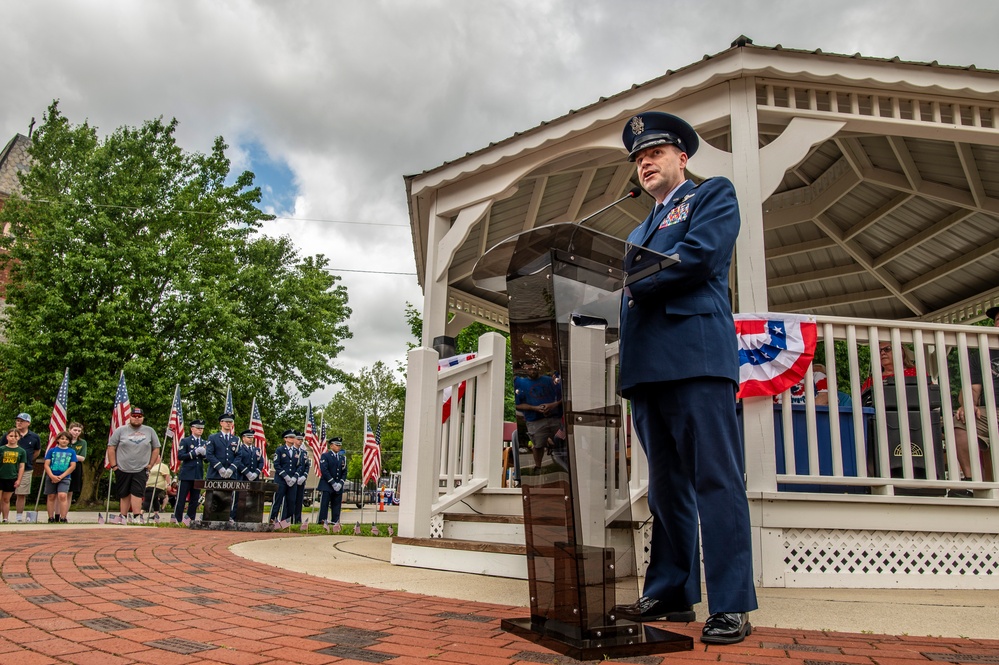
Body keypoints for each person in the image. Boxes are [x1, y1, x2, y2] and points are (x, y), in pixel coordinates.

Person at [613, 112, 756, 644]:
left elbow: (697, 257)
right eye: (638, 158)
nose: (644, 162)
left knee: (716, 479)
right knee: (666, 488)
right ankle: (672, 591)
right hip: (646, 370)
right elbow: (624, 289)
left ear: (682, 157)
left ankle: (732, 602)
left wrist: (631, 283)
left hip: (696, 359)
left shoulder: (711, 196)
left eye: (655, 153)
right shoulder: (635, 229)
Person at [954, 306, 999, 483]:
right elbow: (972, 389)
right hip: (990, 412)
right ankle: (973, 482)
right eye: (997, 320)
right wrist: (968, 404)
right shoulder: (981, 354)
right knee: (960, 420)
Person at [107, 407, 161, 524]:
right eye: (134, 416)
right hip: (122, 467)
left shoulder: (150, 431)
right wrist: (113, 465)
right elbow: (111, 447)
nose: (136, 419)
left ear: (143, 418)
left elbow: (156, 448)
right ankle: (123, 516)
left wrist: (151, 464)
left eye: (139, 416)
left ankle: (137, 516)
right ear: (130, 417)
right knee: (124, 493)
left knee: (137, 492)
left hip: (141, 468)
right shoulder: (120, 431)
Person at [513, 359, 563, 469]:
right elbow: (517, 404)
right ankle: (538, 467)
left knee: (562, 442)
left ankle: (563, 465)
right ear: (525, 370)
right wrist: (534, 408)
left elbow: (563, 397)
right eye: (529, 369)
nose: (532, 371)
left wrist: (553, 405)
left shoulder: (550, 380)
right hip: (534, 420)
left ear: (538, 368)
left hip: (555, 418)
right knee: (538, 445)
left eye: (534, 368)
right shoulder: (520, 383)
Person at [173, 419, 207, 524]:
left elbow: (206, 460)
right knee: (181, 498)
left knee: (194, 499)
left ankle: (190, 519)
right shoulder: (186, 441)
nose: (200, 430)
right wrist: (194, 453)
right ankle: (177, 519)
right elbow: (181, 456)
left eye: (202, 428)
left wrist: (205, 454)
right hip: (187, 474)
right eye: (198, 428)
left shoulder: (204, 442)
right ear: (192, 429)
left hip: (197, 474)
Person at [44, 431, 78, 523]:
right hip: (51, 476)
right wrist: (51, 476)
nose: (64, 441)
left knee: (62, 496)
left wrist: (61, 476)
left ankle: (63, 517)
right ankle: (51, 517)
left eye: (67, 439)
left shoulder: (71, 452)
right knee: (51, 496)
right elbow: (47, 464)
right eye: (62, 439)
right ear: (58, 440)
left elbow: (72, 466)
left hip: (65, 477)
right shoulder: (52, 451)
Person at [12, 413, 40, 523]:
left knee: (21, 493)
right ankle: (4, 517)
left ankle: (19, 517)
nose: (19, 422)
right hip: (9, 468)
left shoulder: (34, 437)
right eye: (17, 420)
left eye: (21, 421)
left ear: (28, 423)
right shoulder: (9, 435)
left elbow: (37, 451)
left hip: (26, 468)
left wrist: (26, 460)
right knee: (4, 493)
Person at [231, 428, 264, 521]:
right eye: (248, 437)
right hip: (242, 476)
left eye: (252, 437)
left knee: (252, 499)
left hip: (254, 477)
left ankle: (249, 517)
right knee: (239, 499)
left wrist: (256, 472)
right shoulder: (240, 448)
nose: (250, 439)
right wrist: (247, 472)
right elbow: (238, 462)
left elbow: (261, 462)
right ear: (243, 438)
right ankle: (234, 517)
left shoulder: (257, 449)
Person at [269, 429, 298, 523]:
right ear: (285, 439)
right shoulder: (280, 450)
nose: (292, 439)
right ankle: (273, 519)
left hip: (292, 480)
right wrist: (285, 476)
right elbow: (276, 464)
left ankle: (287, 521)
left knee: (291, 501)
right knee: (277, 500)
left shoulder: (297, 451)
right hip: (281, 480)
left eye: (293, 437)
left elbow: (300, 465)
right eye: (290, 437)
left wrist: (295, 477)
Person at [317, 436, 347, 525]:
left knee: (337, 505)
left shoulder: (342, 458)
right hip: (327, 485)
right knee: (324, 505)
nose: (338, 447)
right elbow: (324, 470)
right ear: (331, 446)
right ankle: (322, 521)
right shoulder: (325, 456)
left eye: (339, 445)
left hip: (338, 485)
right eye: (336, 445)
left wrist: (340, 483)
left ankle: (335, 522)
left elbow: (344, 471)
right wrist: (333, 482)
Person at [1, 429, 27, 523]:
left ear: (19, 438)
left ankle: (5, 518)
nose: (13, 438)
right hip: (1, 476)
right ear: (7, 437)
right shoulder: (2, 449)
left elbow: (21, 466)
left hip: (11, 477)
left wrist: (19, 479)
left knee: (6, 499)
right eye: (11, 436)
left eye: (15, 436)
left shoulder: (21, 451)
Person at [66, 422, 88, 508]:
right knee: (60, 492)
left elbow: (82, 458)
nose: (76, 432)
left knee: (70, 492)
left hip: (75, 467)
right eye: (74, 430)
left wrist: (67, 454)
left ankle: (64, 514)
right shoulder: (64, 440)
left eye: (79, 431)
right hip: (62, 466)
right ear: (69, 430)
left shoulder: (82, 443)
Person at [292, 431, 310, 523]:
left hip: (301, 480)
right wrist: (295, 477)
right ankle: (289, 520)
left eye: (301, 440)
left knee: (299, 500)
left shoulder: (304, 453)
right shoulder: (291, 451)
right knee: (290, 501)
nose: (300, 441)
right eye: (298, 439)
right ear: (294, 439)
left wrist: (304, 476)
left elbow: (307, 465)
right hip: (292, 479)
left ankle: (298, 520)